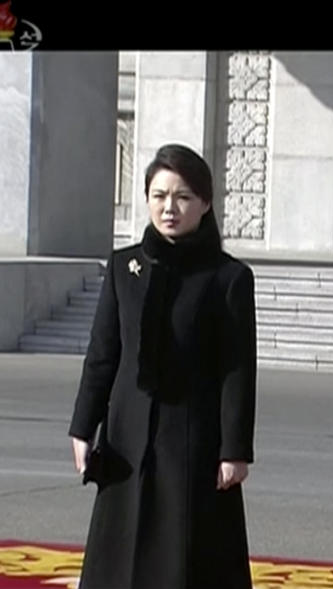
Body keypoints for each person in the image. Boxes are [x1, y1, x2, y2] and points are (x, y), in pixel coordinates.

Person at [68, 143, 257, 589]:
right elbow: (102, 354)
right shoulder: (124, 267)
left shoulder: (228, 278)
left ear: (205, 204)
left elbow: (238, 369)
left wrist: (235, 450)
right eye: (158, 195)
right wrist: (83, 426)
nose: (169, 207)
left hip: (192, 438)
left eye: (183, 197)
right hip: (127, 437)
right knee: (121, 550)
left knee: (187, 554)